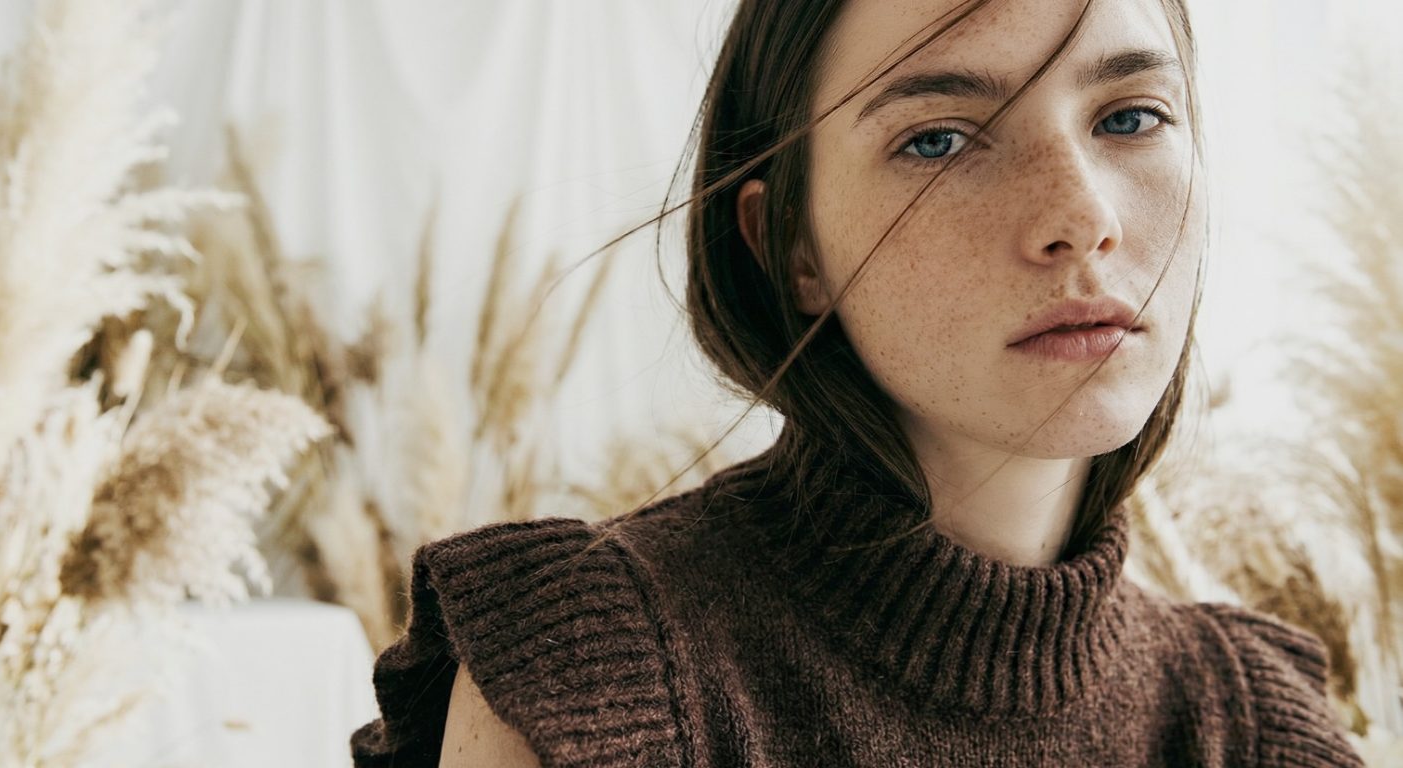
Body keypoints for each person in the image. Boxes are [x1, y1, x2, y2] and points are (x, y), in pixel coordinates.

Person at [351, 0, 1368, 765]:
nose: (1082, 215)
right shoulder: (592, 678)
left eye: (1132, 118)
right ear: (790, 245)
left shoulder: (1257, 726)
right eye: (939, 139)